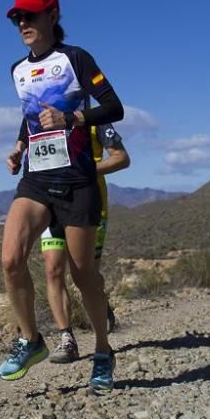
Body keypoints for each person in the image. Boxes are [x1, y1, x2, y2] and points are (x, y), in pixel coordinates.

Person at [0, 0, 124, 392]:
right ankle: (30, 339)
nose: (23, 24)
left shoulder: (75, 59)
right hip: (37, 179)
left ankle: (103, 350)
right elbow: (30, 114)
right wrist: (20, 144)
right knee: (10, 260)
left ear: (52, 16)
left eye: (31, 16)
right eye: (19, 18)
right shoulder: (18, 69)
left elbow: (113, 107)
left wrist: (72, 119)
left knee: (84, 274)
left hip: (77, 181)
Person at [35, 123, 129, 363]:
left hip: (89, 206)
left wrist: (83, 170)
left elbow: (122, 159)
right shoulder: (42, 120)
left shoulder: (96, 121)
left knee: (86, 276)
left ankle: (100, 306)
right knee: (52, 269)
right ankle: (66, 339)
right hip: (52, 203)